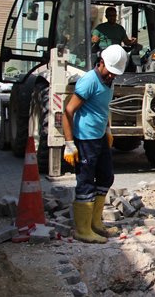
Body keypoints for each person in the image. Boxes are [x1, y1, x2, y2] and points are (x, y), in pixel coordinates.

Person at [62, 45, 128, 244]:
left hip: (99, 137)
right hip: (85, 139)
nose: (112, 76)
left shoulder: (110, 81)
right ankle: (82, 229)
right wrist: (69, 143)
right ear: (101, 63)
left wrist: (108, 129)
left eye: (115, 73)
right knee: (86, 183)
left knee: (106, 177)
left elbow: (103, 107)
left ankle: (95, 223)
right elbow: (68, 111)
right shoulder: (89, 81)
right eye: (110, 72)